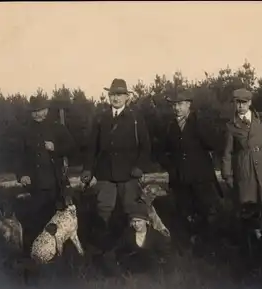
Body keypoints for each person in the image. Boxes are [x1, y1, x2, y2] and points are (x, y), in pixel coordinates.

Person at [81, 78, 151, 267]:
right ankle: (104, 251)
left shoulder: (136, 119)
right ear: (108, 96)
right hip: (105, 175)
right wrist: (88, 169)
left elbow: (146, 147)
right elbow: (91, 148)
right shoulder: (101, 119)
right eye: (113, 94)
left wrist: (139, 166)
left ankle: (134, 252)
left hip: (129, 175)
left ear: (127, 97)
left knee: (132, 212)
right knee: (104, 211)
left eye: (120, 95)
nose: (116, 98)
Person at [221, 88, 262, 270]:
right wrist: (228, 175)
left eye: (244, 102)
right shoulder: (231, 126)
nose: (240, 106)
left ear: (250, 103)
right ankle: (252, 258)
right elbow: (227, 152)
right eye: (237, 103)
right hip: (246, 172)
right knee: (249, 212)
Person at [155, 89, 223, 249]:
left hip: (201, 178)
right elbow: (160, 151)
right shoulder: (170, 127)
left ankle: (209, 245)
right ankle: (189, 245)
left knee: (207, 211)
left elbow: (213, 143)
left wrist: (199, 125)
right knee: (184, 212)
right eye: (174, 105)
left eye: (180, 104)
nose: (176, 108)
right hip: (180, 179)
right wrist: (170, 166)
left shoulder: (199, 122)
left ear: (188, 105)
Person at [13, 96, 76, 254]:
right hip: (36, 185)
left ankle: (57, 253)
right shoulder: (25, 131)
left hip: (56, 183)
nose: (38, 114)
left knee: (57, 220)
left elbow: (72, 147)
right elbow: (18, 157)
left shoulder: (57, 127)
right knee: (36, 220)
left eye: (40, 110)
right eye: (34, 111)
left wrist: (56, 148)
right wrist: (22, 175)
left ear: (46, 110)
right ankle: (33, 255)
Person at [112, 202, 172, 276]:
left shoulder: (156, 235)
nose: (136, 224)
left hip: (151, 268)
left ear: (146, 221)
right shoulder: (128, 234)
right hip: (132, 267)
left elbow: (164, 254)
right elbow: (119, 249)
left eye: (139, 221)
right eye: (134, 221)